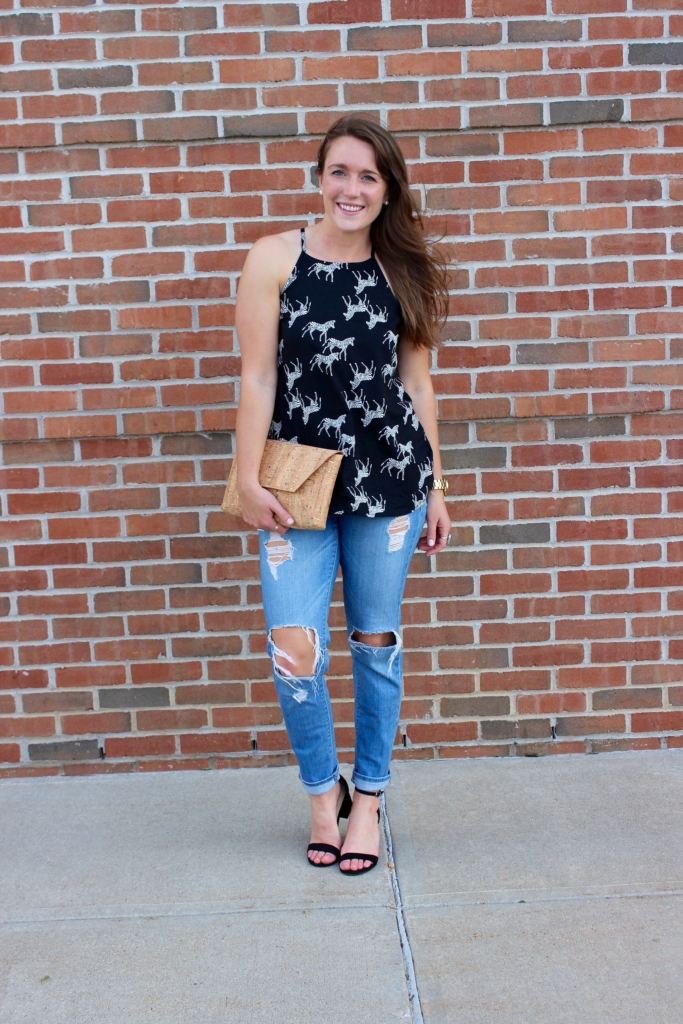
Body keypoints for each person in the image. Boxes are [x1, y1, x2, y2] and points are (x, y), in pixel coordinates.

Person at [234, 115, 451, 875]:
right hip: (296, 481)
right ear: (318, 176)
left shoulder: (405, 271)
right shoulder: (273, 259)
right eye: (339, 172)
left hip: (390, 479)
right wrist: (245, 477)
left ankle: (372, 799)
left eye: (368, 176)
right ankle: (323, 797)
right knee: (295, 648)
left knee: (373, 643)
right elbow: (257, 377)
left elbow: (416, 384)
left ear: (386, 189)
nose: (350, 188)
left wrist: (438, 489)